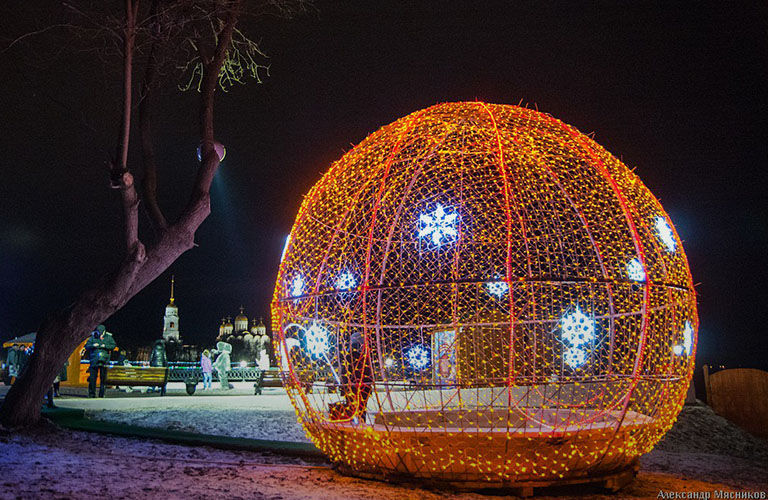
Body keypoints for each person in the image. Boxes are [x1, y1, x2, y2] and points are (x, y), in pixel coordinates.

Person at [85, 325, 116, 398]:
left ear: (104, 331)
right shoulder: (93, 337)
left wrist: (105, 346)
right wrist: (93, 345)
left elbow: (113, 345)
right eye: (99, 332)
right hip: (94, 360)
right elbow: (87, 346)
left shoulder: (109, 337)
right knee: (92, 378)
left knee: (103, 379)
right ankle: (91, 394)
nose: (100, 334)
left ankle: (101, 394)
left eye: (101, 333)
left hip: (104, 361)